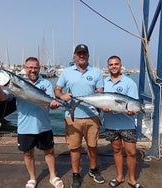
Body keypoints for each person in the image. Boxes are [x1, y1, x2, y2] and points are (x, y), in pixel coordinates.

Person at [0, 57, 64, 188]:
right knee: (28, 153)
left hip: (44, 126)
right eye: (30, 67)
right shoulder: (15, 82)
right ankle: (32, 178)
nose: (32, 70)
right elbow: (1, 98)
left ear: (39, 68)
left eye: (35, 67)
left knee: (49, 152)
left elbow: (50, 101)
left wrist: (53, 104)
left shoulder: (46, 83)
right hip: (25, 127)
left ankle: (53, 176)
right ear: (25, 68)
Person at [54, 44, 105, 188]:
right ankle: (76, 174)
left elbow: (100, 92)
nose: (81, 55)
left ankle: (93, 170)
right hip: (72, 117)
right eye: (79, 53)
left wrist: (102, 103)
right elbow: (57, 90)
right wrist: (62, 96)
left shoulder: (96, 72)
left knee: (93, 146)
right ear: (74, 56)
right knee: (74, 148)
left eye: (84, 53)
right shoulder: (66, 72)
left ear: (88, 55)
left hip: (92, 116)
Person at [102, 55, 143, 188]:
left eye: (116, 64)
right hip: (110, 124)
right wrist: (102, 108)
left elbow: (135, 104)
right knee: (117, 150)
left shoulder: (129, 82)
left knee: (131, 152)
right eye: (111, 64)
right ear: (108, 66)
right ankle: (119, 176)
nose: (113, 66)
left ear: (120, 65)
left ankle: (132, 179)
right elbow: (99, 100)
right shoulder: (103, 82)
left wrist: (133, 111)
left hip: (127, 124)